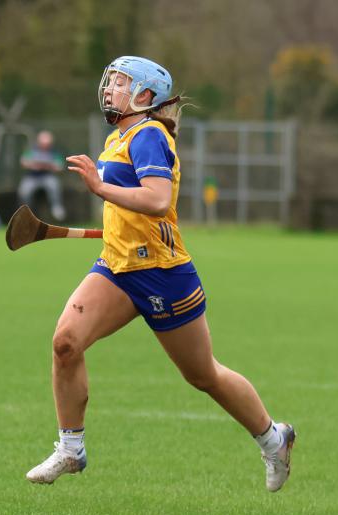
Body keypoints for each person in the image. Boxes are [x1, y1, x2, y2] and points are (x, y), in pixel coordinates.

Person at [25, 56, 295, 492]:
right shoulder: (119, 136)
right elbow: (130, 210)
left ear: (144, 95)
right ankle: (71, 448)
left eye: (120, 82)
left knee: (202, 375)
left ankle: (273, 437)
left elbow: (154, 199)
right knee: (65, 343)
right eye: (109, 81)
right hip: (116, 266)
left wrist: (99, 188)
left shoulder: (150, 135)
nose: (109, 88)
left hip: (163, 275)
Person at [18, 130, 67, 222]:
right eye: (43, 143)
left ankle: (56, 208)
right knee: (24, 191)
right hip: (32, 177)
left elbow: (60, 166)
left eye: (47, 144)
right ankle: (25, 213)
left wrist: (48, 166)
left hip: (47, 177)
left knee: (54, 186)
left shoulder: (54, 152)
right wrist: (34, 165)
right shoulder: (32, 150)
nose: (45, 145)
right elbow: (23, 162)